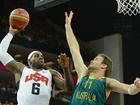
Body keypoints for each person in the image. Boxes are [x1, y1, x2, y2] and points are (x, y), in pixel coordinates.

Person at [64, 11, 140, 105]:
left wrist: (137, 87)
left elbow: (129, 89)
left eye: (96, 59)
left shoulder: (107, 82)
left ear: (104, 66)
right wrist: (68, 27)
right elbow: (74, 49)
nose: (91, 60)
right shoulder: (83, 74)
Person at [0, 25, 73, 105]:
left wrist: (66, 69)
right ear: (29, 61)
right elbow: (1, 52)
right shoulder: (22, 69)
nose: (41, 57)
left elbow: (69, 89)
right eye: (36, 55)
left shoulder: (51, 73)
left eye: (42, 56)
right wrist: (11, 33)